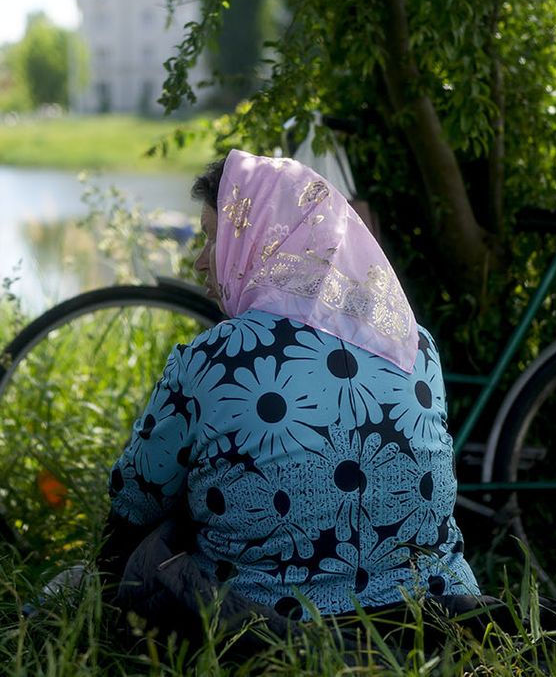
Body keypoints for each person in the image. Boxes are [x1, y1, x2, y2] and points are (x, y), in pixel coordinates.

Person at [100, 149, 480, 644]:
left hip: (268, 629)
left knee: (159, 527)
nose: (199, 261)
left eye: (215, 240)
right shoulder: (414, 343)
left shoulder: (211, 357)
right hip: (433, 619)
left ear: (262, 244)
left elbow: (133, 498)